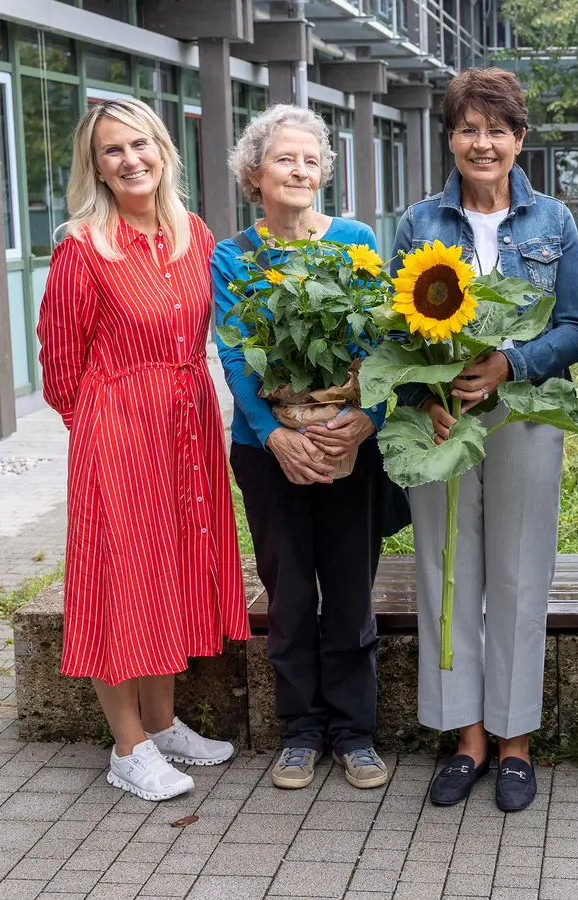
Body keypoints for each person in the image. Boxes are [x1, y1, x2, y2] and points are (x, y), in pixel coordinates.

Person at [388, 68, 578, 813]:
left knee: (517, 576)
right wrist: (426, 398)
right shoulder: (417, 224)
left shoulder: (555, 223)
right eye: (468, 128)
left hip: (525, 415)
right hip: (442, 422)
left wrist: (511, 363)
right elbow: (397, 328)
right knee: (448, 573)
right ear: (449, 137)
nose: (483, 142)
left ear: (519, 140)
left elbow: (573, 328)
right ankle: (465, 736)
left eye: (496, 129)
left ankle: (514, 742)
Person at [37, 98, 245, 802]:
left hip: (186, 424)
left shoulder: (194, 234)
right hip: (119, 431)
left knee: (172, 571)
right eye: (111, 151)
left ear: (163, 150)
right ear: (93, 166)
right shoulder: (82, 248)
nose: (130, 160)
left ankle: (162, 724)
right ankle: (127, 748)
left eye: (139, 145)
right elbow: (60, 367)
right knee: (121, 583)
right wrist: (104, 428)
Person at [211, 104, 392, 793]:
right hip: (267, 449)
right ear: (253, 173)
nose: (300, 170)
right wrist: (277, 435)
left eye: (312, 160)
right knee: (288, 592)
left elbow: (380, 343)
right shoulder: (234, 255)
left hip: (347, 442)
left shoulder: (352, 240)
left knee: (349, 587)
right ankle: (300, 731)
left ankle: (353, 732)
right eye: (285, 158)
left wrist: (367, 418)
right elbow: (235, 354)